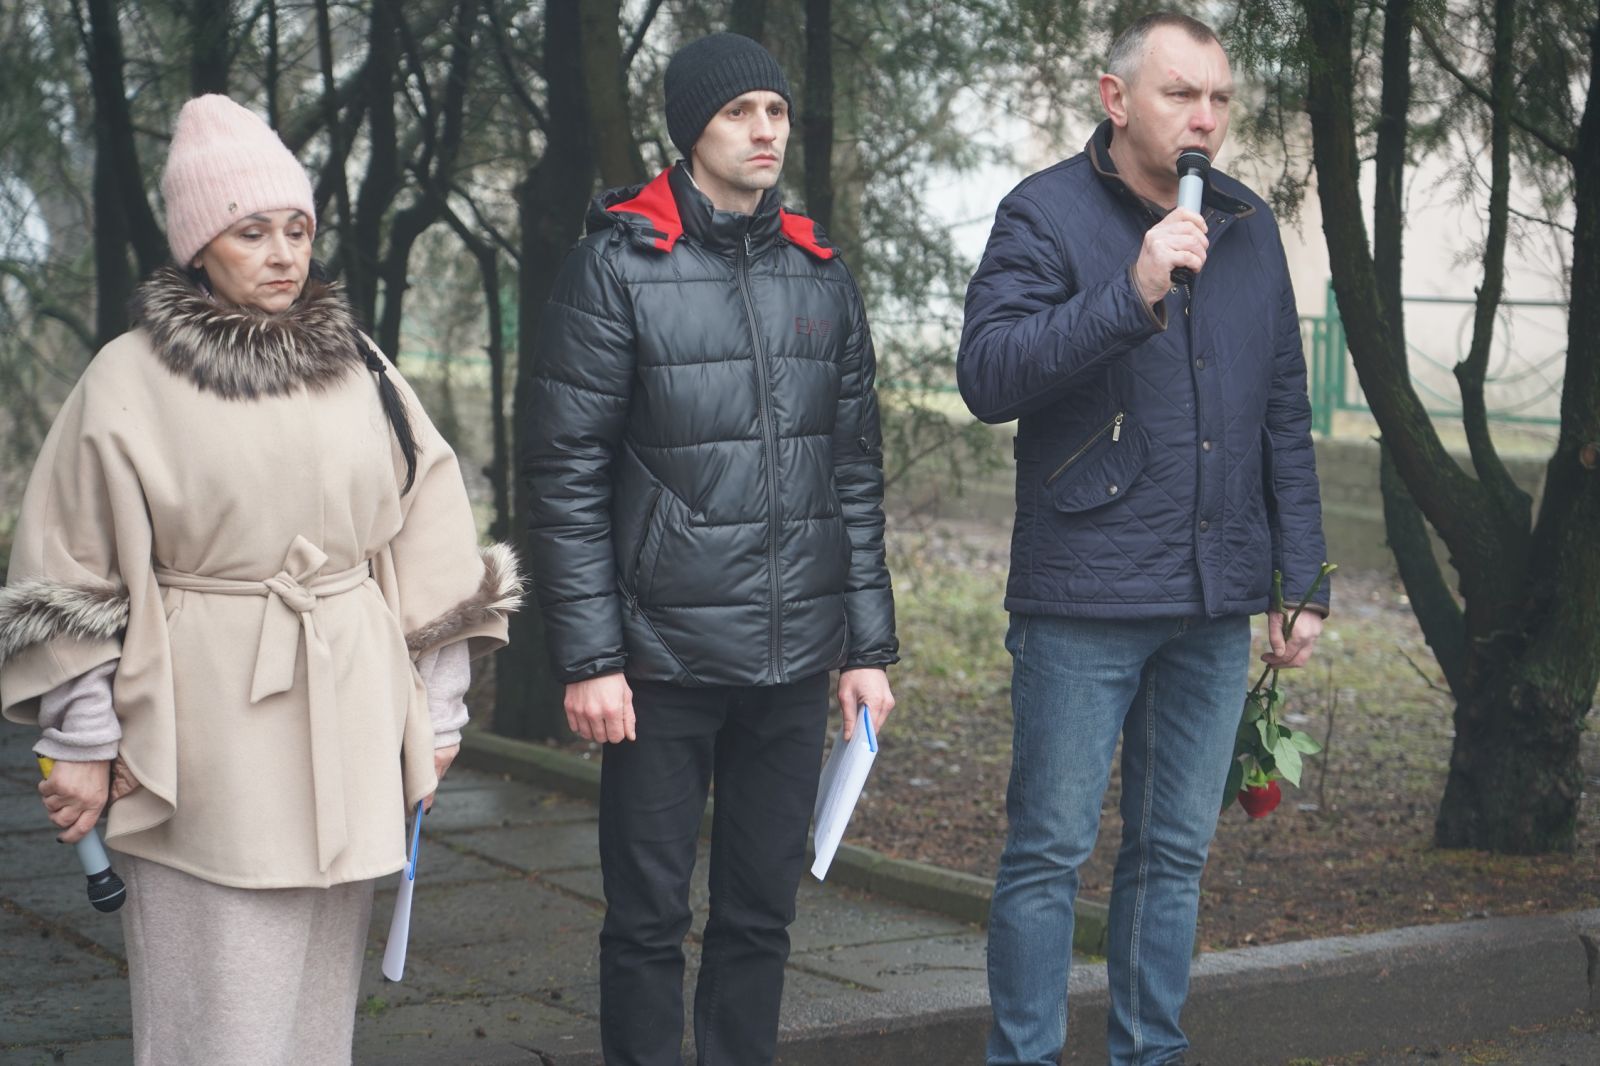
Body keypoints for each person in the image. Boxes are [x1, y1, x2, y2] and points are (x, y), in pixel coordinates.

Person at [0, 95, 522, 1066]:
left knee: (317, 1017)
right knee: (218, 1018)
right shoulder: (128, 378)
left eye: (297, 230)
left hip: (351, 707)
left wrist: (440, 708)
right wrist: (81, 737)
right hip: (204, 720)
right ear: (199, 246)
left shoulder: (361, 367)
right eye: (251, 232)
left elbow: (431, 530)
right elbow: (72, 567)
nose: (283, 254)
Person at [957, 14, 1330, 1066]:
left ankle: (1148, 1054)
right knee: (1048, 854)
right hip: (1083, 596)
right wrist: (1132, 289)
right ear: (1115, 99)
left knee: (1174, 854)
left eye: (1219, 98)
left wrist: (1299, 578)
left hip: (1212, 600)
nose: (1205, 117)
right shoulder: (1043, 213)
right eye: (1181, 94)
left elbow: (1282, 413)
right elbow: (988, 375)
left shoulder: (1247, 225)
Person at [523, 32, 898, 1066]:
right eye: (739, 112)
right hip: (660, 662)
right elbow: (564, 474)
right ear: (691, 129)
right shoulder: (617, 266)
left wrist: (866, 648)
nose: (764, 130)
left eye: (775, 111)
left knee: (760, 915)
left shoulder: (821, 274)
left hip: (794, 662)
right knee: (647, 920)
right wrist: (591, 658)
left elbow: (854, 473)